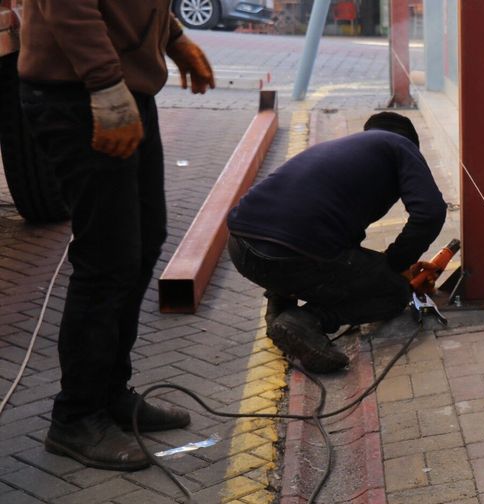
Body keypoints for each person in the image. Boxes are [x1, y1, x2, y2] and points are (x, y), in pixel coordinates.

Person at [17, 1, 215, 471]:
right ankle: (76, 417)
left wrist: (173, 37)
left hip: (122, 88)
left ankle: (109, 395)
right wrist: (105, 85)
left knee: (143, 243)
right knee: (107, 259)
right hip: (78, 93)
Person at [227, 112, 447, 373]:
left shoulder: (343, 151)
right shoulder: (401, 146)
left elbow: (343, 249)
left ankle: (281, 302)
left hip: (241, 248)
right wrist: (396, 264)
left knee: (329, 257)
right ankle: (307, 321)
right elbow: (431, 213)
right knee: (394, 291)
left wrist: (384, 264)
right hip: (293, 257)